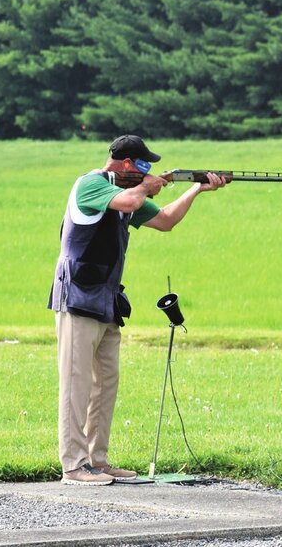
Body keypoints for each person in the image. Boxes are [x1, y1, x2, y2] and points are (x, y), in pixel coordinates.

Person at [49, 135, 226, 486]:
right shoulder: (91, 185)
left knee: (105, 384)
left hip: (106, 300)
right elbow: (130, 199)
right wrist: (147, 186)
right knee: (76, 383)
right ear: (129, 165)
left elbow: (165, 221)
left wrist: (196, 190)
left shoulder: (130, 194)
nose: (148, 170)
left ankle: (97, 459)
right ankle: (73, 465)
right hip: (78, 297)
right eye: (144, 164)